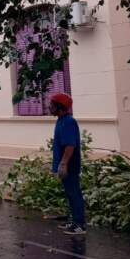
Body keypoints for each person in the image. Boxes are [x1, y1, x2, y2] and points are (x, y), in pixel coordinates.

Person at [49, 92, 86, 235]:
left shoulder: (69, 122)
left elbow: (70, 145)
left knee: (74, 193)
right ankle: (74, 220)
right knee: (69, 193)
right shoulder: (61, 120)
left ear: (60, 107)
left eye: (52, 105)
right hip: (64, 163)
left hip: (70, 163)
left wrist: (63, 164)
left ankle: (80, 224)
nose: (49, 107)